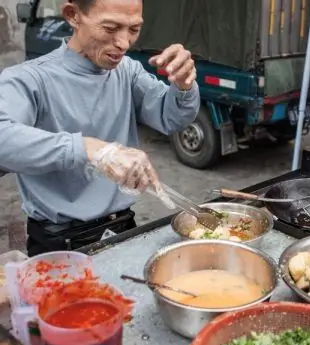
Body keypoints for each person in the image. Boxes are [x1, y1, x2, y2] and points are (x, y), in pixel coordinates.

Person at [0, 0, 200, 256]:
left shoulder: (127, 71)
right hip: (60, 242)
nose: (124, 43)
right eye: (110, 28)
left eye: (133, 29)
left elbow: (171, 117)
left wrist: (183, 85)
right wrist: (90, 149)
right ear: (73, 15)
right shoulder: (29, 80)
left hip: (123, 228)